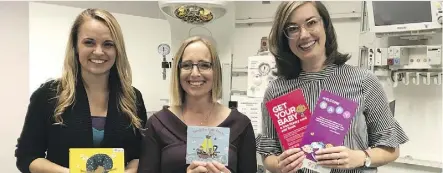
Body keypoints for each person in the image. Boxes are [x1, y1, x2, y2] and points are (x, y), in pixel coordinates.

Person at [255, 2, 409, 173]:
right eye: (293, 28)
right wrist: (279, 165)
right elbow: (268, 153)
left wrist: (359, 157)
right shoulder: (276, 91)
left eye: (311, 22)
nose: (304, 34)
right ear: (285, 37)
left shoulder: (363, 81)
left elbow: (391, 149)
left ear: (325, 26)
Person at [15, 8, 147, 173]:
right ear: (75, 47)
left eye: (108, 44)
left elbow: (141, 154)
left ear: (117, 50)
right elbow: (27, 157)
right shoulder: (48, 95)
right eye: (89, 42)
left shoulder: (133, 97)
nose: (98, 51)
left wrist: (131, 170)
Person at [137, 36, 257, 173]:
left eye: (204, 65)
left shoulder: (240, 125)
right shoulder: (157, 124)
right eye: (187, 65)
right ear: (178, 71)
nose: (195, 73)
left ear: (216, 71)